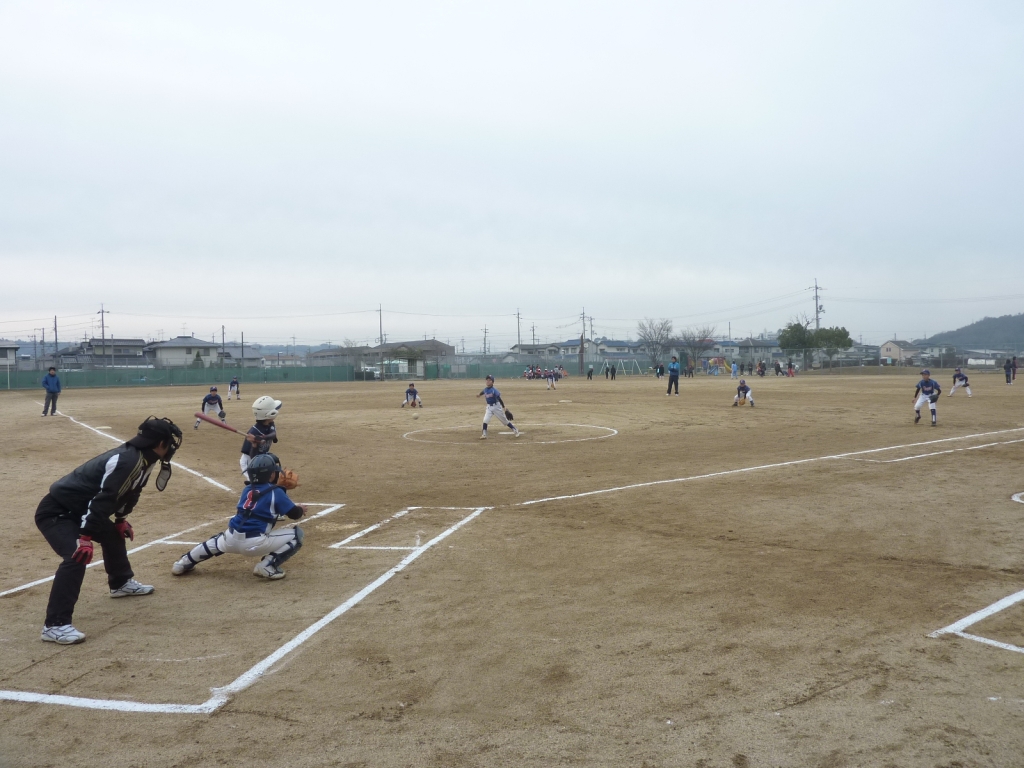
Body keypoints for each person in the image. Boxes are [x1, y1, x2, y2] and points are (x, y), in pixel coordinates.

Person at [35, 417, 182, 644]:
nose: (171, 447)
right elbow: (104, 499)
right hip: (58, 512)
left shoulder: (145, 458)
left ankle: (120, 583)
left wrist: (121, 519)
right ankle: (55, 625)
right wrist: (84, 537)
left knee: (114, 534)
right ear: (160, 443)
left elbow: (131, 491)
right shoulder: (129, 460)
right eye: (169, 442)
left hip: (80, 509)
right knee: (76, 555)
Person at [172, 454, 305, 580]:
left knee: (214, 543)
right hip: (256, 543)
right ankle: (267, 566)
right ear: (271, 475)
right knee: (296, 535)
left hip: (230, 538)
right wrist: (300, 508)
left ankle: (182, 563)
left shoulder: (247, 489)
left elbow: (262, 499)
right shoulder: (277, 492)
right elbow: (294, 514)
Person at [240, 396, 281, 482]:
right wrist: (255, 444)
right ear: (270, 414)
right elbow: (253, 457)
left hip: (262, 457)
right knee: (257, 483)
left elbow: (273, 435)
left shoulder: (270, 423)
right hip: (250, 462)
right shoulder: (254, 432)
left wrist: (263, 437)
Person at [477, 374, 520, 439]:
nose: (487, 381)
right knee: (485, 420)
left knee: (504, 421)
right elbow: (483, 392)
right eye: (487, 380)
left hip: (496, 407)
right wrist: (479, 395)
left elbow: (499, 399)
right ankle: (484, 434)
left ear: (492, 382)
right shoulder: (485, 389)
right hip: (489, 407)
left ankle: (514, 429)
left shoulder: (494, 390)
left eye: (489, 380)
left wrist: (504, 407)